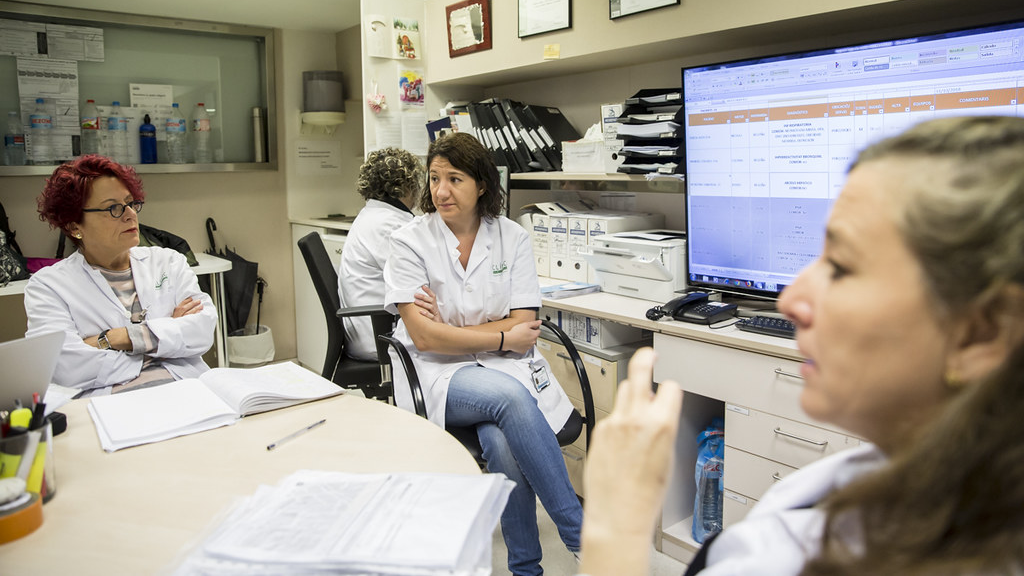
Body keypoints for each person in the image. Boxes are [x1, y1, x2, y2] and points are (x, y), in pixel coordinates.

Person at [578, 115, 1024, 575]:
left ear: (982, 332)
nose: (791, 300)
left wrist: (615, 525)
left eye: (842, 266)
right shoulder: (886, 477)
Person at [384, 132, 582, 576]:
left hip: (503, 367)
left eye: (454, 179)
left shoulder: (513, 238)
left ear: (483, 186)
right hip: (436, 375)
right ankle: (583, 538)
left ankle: (526, 570)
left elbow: (525, 325)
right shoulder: (409, 241)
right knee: (508, 399)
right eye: (434, 178)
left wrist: (453, 329)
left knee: (499, 438)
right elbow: (426, 340)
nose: (440, 191)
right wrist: (497, 337)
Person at [24, 155, 217, 397]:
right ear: (75, 227)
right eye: (113, 208)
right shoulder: (48, 286)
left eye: (130, 203)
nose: (130, 215)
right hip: (111, 403)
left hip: (186, 390)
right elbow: (64, 366)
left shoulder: (168, 261)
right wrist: (163, 339)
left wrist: (116, 338)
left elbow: (201, 331)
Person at [337, 146, 422, 361]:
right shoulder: (387, 226)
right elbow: (423, 281)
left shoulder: (374, 216)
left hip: (372, 328)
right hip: (378, 335)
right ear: (406, 186)